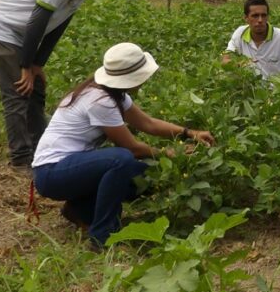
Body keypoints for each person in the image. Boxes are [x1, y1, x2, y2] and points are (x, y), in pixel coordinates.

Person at [31, 42, 215, 249]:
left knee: (146, 173)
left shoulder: (114, 94)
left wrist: (189, 133)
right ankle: (103, 236)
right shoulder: (100, 100)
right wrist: (169, 154)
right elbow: (132, 148)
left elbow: (149, 124)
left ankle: (81, 210)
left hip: (70, 167)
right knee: (121, 160)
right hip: (51, 172)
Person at [0, 0, 118, 170]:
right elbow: (37, 23)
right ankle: (21, 159)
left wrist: (38, 64)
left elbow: (59, 24)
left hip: (19, 31)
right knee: (19, 91)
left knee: (37, 88)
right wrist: (25, 66)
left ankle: (41, 150)